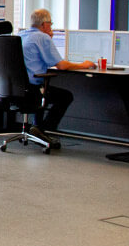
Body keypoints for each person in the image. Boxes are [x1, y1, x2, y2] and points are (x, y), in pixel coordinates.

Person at [18, 8, 93, 147]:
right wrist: (84, 64)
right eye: (50, 24)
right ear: (44, 24)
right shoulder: (42, 37)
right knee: (65, 96)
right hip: (33, 88)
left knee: (45, 89)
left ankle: (37, 128)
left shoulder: (21, 35)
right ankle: (41, 129)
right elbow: (62, 66)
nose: (51, 27)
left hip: (17, 88)